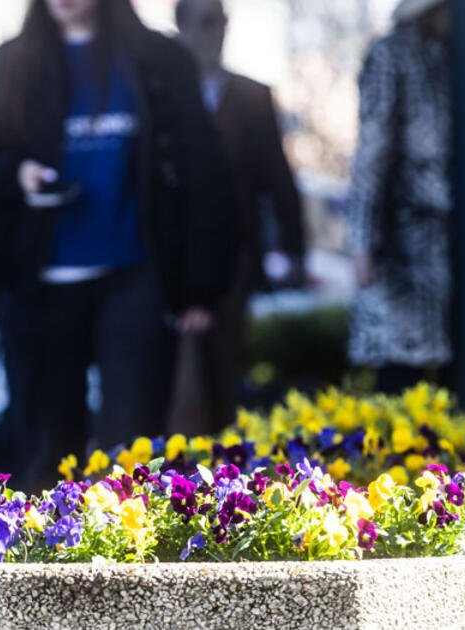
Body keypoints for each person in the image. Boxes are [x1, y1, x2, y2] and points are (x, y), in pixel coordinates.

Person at [0, 0, 235, 491]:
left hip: (137, 278)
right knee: (44, 454)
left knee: (133, 455)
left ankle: (124, 566)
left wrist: (200, 285)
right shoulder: (9, 62)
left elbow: (202, 171)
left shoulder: (159, 59)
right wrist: (17, 174)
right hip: (38, 285)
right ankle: (45, 566)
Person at [175, 0, 307, 430]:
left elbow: (278, 178)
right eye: (205, 22)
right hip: (174, 255)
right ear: (183, 27)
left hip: (235, 257)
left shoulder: (252, 97)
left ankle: (223, 463)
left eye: (220, 21)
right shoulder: (163, 95)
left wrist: (293, 250)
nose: (214, 32)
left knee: (225, 368)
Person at [345, 0, 453, 394]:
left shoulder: (451, 55)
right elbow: (371, 153)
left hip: (445, 253)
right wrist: (362, 242)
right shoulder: (392, 54)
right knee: (400, 382)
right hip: (401, 254)